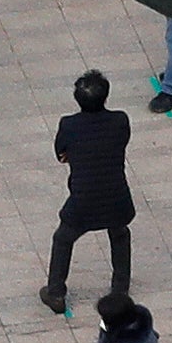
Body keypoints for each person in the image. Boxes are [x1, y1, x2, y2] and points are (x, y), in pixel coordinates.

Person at [44, 74, 138, 315]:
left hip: (83, 199)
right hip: (116, 196)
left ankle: (56, 292)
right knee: (119, 234)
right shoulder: (120, 120)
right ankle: (120, 288)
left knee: (63, 238)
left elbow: (61, 153)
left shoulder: (69, 125)